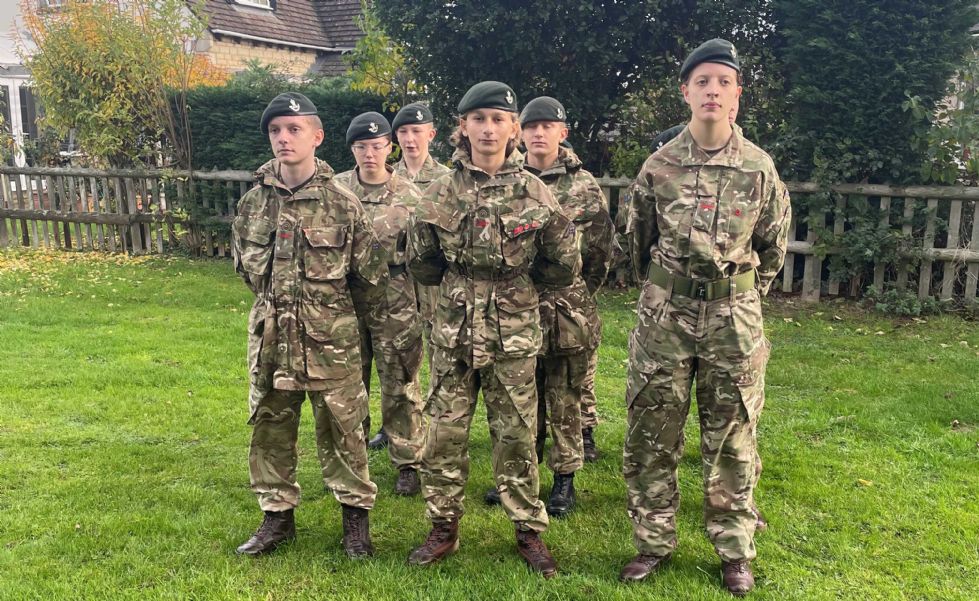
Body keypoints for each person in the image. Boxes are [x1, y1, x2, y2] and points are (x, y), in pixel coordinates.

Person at [620, 39, 791, 596]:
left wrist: (738, 296)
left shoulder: (759, 168)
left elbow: (772, 247)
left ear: (737, 95)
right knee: (653, 431)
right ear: (686, 93)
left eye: (723, 82)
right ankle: (653, 542)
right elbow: (636, 242)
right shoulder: (658, 166)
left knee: (732, 437)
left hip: (733, 320)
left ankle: (734, 548)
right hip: (665, 318)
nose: (712, 91)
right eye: (702, 82)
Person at [405, 81, 579, 578]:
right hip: (454, 330)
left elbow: (562, 263)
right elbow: (422, 260)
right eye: (478, 118)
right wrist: (466, 286)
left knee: (517, 435)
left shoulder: (535, 192)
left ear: (513, 129)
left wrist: (513, 288)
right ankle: (443, 527)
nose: (487, 128)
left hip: (513, 331)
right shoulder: (440, 191)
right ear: (462, 126)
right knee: (445, 433)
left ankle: (528, 530)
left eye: (498, 119)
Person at [230, 92, 387, 559]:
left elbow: (369, 279)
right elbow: (245, 269)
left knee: (345, 430)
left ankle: (355, 523)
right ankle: (276, 519)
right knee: (270, 428)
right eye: (275, 130)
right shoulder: (253, 205)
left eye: (294, 129)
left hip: (331, 341)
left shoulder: (343, 204)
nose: (283, 138)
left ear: (317, 137)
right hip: (272, 340)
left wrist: (328, 315)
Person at [483, 97, 613, 516]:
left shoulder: (584, 186)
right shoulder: (506, 180)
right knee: (519, 398)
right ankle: (521, 477)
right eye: (531, 126)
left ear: (563, 132)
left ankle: (564, 479)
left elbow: (600, 252)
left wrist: (577, 294)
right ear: (520, 132)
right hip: (515, 307)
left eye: (547, 126)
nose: (539, 133)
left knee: (564, 396)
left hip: (566, 308)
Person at [334, 112, 426, 496]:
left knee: (400, 380)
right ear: (352, 149)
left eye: (376, 146)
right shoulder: (336, 190)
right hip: (347, 295)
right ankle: (351, 458)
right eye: (361, 147)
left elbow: (425, 254)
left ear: (389, 147)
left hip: (395, 295)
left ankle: (408, 461)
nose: (369, 154)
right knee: (346, 382)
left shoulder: (411, 195)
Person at [389, 101, 452, 431]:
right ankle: (403, 422)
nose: (410, 138)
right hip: (397, 280)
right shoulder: (387, 178)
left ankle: (440, 422)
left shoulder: (447, 179)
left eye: (416, 131)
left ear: (431, 134)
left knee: (441, 349)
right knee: (400, 351)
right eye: (403, 131)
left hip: (436, 281)